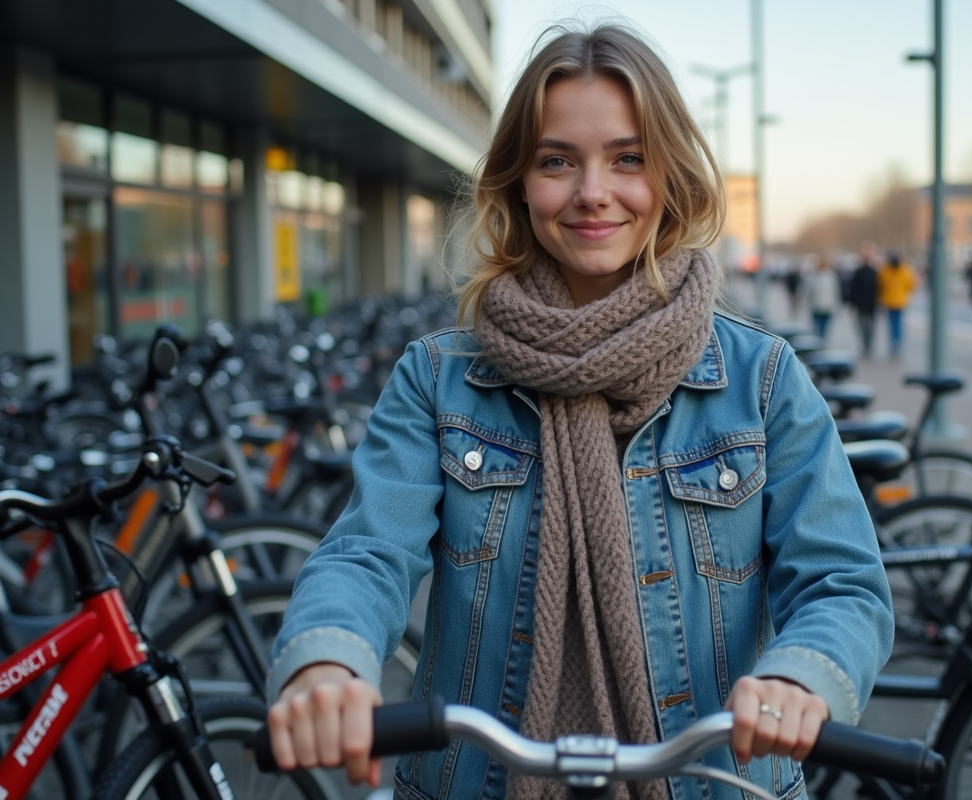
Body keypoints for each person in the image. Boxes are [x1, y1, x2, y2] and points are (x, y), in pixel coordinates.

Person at [264, 24, 892, 800]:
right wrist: (328, 659)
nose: (593, 191)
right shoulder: (437, 380)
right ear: (519, 185)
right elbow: (368, 553)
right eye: (557, 161)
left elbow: (840, 581)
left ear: (669, 177)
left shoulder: (761, 381)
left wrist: (800, 678)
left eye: (628, 158)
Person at [876, 250, 919, 360]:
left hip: (890, 301)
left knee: (893, 323)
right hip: (900, 301)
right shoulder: (904, 270)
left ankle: (895, 342)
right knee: (898, 323)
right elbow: (911, 284)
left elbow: (880, 285)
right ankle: (897, 342)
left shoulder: (886, 270)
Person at [847, 242, 879, 358]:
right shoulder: (859, 272)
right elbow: (853, 289)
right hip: (862, 304)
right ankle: (866, 345)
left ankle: (868, 345)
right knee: (862, 326)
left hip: (871, 304)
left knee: (870, 327)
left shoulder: (875, 272)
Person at [805, 253, 841, 342]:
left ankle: (821, 342)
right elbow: (809, 291)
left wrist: (836, 304)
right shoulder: (814, 276)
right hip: (816, 306)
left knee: (824, 328)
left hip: (827, 307)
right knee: (817, 327)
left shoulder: (832, 276)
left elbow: (836, 292)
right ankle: (818, 342)